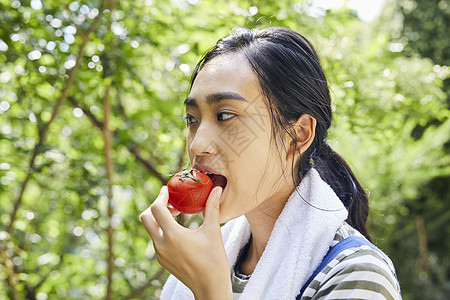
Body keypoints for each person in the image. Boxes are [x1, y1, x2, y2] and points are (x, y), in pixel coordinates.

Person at [140, 27, 401, 300]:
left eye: (225, 115)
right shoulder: (194, 267)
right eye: (192, 119)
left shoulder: (356, 275)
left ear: (298, 135)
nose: (196, 145)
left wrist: (209, 290)